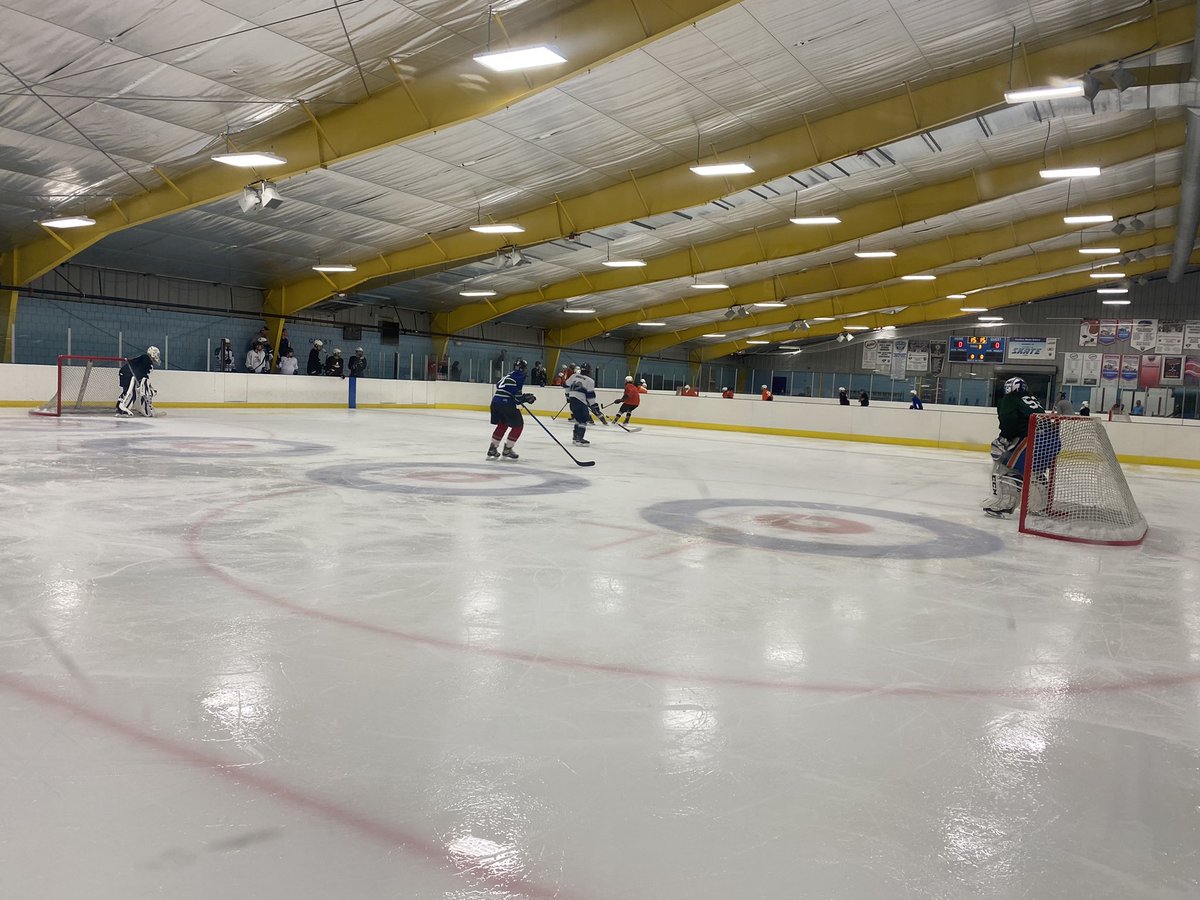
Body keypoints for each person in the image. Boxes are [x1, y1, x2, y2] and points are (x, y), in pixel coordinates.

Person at [983, 376, 1053, 518]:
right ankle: (1040, 506)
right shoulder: (1033, 400)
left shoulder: (1010, 399)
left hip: (1031, 440)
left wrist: (1004, 438)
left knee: (1006, 468)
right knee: (1035, 472)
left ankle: (1005, 505)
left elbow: (1009, 421)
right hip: (1050, 441)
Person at [488, 359, 536, 459]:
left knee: (502, 424)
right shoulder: (519, 376)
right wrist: (525, 398)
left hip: (495, 402)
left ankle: (492, 448)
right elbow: (517, 398)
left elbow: (504, 389)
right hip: (505, 403)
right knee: (518, 426)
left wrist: (523, 398)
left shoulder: (509, 375)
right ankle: (507, 449)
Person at [565, 362, 603, 446]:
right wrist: (593, 406)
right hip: (580, 402)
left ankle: (575, 437)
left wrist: (568, 396)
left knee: (578, 419)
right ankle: (579, 438)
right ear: (588, 371)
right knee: (584, 419)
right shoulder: (590, 381)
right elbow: (590, 396)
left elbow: (566, 385)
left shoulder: (573, 376)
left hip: (572, 401)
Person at [116, 346, 159, 417]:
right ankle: (121, 408)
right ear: (153, 353)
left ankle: (119, 407)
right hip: (127, 373)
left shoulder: (147, 359)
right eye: (156, 354)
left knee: (127, 391)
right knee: (129, 392)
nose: (157, 356)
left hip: (126, 373)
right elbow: (141, 372)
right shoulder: (146, 358)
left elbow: (141, 371)